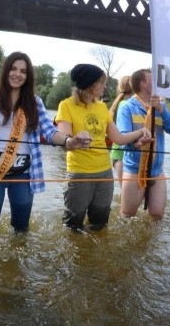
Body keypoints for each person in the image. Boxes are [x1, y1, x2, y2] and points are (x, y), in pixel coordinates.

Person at [0, 52, 88, 235]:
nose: (17, 74)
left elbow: (49, 132)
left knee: (21, 231)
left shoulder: (35, 102)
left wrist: (69, 141)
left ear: (28, 76)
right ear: (5, 70)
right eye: (13, 69)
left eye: (23, 71)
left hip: (23, 175)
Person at [56, 64, 153, 230]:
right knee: (72, 227)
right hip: (79, 175)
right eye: (101, 82)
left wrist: (141, 132)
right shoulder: (66, 105)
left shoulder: (102, 107)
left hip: (104, 174)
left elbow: (119, 139)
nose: (105, 86)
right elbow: (64, 140)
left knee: (100, 226)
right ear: (90, 84)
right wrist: (74, 140)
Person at [117, 67, 170, 219]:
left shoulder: (160, 106)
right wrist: (137, 143)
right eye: (153, 80)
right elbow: (122, 137)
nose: (158, 84)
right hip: (134, 169)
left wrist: (162, 110)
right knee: (127, 216)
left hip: (157, 170)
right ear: (143, 84)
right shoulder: (126, 107)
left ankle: (151, 243)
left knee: (157, 215)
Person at [109, 75, 133, 189]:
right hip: (120, 153)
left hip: (121, 152)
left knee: (127, 189)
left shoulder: (123, 103)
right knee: (125, 189)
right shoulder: (125, 105)